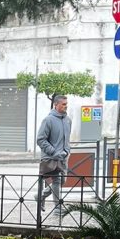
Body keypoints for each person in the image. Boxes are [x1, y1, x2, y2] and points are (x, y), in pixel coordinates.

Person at [35, 94, 72, 224]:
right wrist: (54, 152)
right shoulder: (48, 120)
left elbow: (67, 139)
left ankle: (40, 196)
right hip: (51, 157)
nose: (66, 106)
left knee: (62, 180)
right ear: (55, 104)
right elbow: (40, 140)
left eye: (66, 104)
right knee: (57, 180)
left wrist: (67, 150)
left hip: (63, 157)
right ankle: (58, 208)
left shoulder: (68, 120)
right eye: (63, 104)